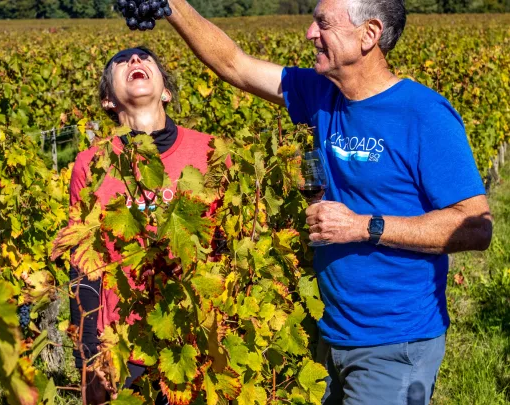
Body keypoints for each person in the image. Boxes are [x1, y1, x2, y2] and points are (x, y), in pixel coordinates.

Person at [162, 1, 493, 404]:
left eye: (323, 23)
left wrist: (366, 226)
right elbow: (234, 64)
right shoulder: (320, 94)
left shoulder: (424, 115)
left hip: (394, 340)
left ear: (368, 35)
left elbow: (476, 226)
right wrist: (171, 5)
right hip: (330, 332)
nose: (309, 33)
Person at [69, 46, 215, 405]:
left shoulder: (210, 153)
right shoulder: (91, 164)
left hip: (196, 344)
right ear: (107, 101)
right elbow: (84, 267)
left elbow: (225, 251)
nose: (134, 61)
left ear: (166, 91)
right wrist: (89, 359)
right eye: (120, 60)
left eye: (145, 56)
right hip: (122, 350)